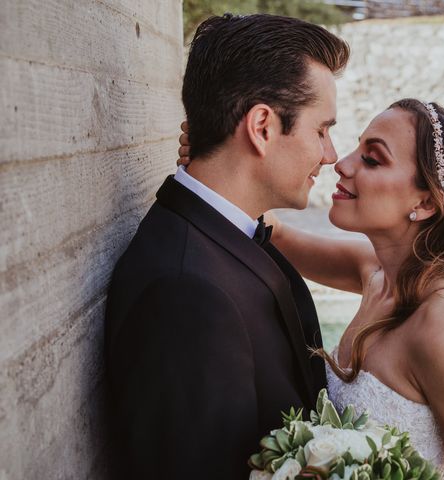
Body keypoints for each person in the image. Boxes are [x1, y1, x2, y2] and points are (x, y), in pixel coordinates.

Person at [179, 99, 444, 478]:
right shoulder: (374, 273)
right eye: (357, 147)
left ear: (424, 202)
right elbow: (273, 231)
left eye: (372, 159)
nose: (342, 163)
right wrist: (221, 158)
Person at [105, 14, 349, 479]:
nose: (331, 154)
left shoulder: (226, 235)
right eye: (322, 130)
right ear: (261, 126)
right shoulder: (184, 294)